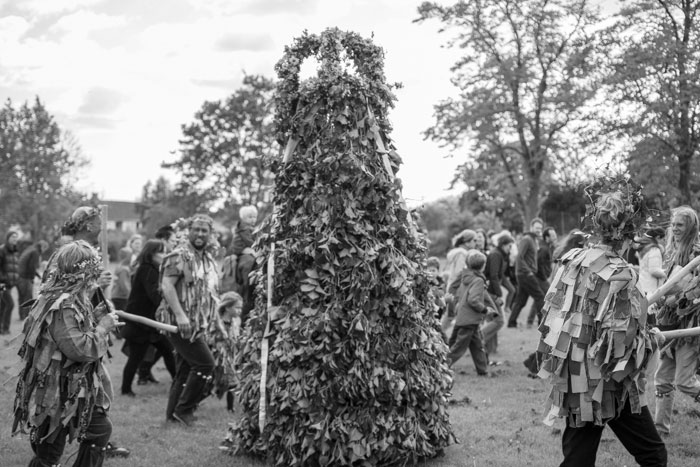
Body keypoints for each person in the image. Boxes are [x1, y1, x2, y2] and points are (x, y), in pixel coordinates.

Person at [536, 188, 667, 467]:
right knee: (654, 455)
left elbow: (552, 315)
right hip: (609, 384)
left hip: (574, 379)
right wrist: (652, 340)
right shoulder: (622, 273)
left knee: (577, 460)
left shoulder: (572, 260)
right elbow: (620, 344)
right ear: (630, 232)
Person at [13, 240, 123, 467]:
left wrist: (100, 312)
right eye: (91, 274)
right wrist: (103, 328)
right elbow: (79, 349)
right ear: (81, 273)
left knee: (99, 430)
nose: (93, 280)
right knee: (49, 453)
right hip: (56, 392)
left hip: (74, 387)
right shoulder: (63, 305)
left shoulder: (70, 297)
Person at [159, 214, 219, 425]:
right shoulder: (180, 256)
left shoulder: (206, 259)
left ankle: (172, 416)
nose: (200, 234)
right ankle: (184, 410)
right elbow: (167, 285)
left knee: (185, 369)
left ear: (210, 235)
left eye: (205, 231)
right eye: (196, 229)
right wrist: (180, 315)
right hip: (179, 322)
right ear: (189, 231)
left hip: (196, 322)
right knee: (205, 364)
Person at [653, 206, 700, 435]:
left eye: (680, 225)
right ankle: (660, 430)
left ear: (690, 226)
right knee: (662, 379)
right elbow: (668, 283)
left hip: (689, 326)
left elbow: (696, 289)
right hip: (669, 325)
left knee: (684, 382)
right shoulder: (671, 252)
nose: (675, 229)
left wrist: (680, 299)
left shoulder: (698, 253)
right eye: (673, 224)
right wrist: (661, 301)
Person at [120, 240, 176, 396]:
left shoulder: (153, 269)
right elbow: (154, 295)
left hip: (150, 323)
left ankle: (179, 383)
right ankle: (126, 390)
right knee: (136, 357)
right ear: (151, 254)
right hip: (141, 323)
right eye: (161, 252)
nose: (165, 255)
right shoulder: (147, 270)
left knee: (167, 350)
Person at [446, 251, 495, 375]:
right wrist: (484, 309)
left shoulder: (466, 277)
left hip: (463, 317)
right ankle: (441, 366)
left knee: (477, 345)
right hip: (469, 319)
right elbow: (473, 300)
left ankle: (482, 371)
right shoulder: (478, 280)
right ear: (483, 266)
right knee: (458, 348)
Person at [208, 291, 243, 412]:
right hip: (219, 356)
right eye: (237, 307)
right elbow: (211, 338)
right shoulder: (217, 322)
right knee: (216, 382)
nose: (240, 311)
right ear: (227, 307)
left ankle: (230, 408)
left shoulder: (236, 321)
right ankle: (192, 402)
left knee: (232, 382)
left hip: (230, 356)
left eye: (240, 308)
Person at [507, 218, 545, 328]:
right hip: (525, 274)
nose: (538, 230)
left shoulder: (534, 240)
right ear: (531, 227)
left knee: (521, 300)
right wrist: (528, 272)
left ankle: (511, 323)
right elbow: (519, 257)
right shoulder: (527, 239)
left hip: (525, 273)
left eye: (540, 228)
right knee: (539, 297)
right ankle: (542, 323)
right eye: (537, 228)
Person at [483, 233, 514, 355]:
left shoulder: (500, 254)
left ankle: (491, 349)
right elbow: (494, 275)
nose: (510, 248)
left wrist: (510, 289)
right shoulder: (496, 254)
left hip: (490, 291)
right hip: (490, 292)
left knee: (492, 319)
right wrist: (499, 294)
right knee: (499, 320)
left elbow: (500, 275)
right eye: (509, 246)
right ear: (503, 244)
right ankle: (479, 338)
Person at [527, 226, 557, 328]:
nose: (555, 237)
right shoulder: (544, 248)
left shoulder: (547, 246)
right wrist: (544, 277)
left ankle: (530, 321)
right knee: (548, 296)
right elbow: (538, 263)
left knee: (539, 297)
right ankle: (543, 320)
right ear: (546, 238)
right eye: (552, 236)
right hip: (540, 277)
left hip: (541, 277)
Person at [17, 239, 49, 320]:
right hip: (26, 277)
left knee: (22, 297)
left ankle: (21, 315)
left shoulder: (31, 248)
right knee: (28, 298)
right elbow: (32, 267)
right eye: (45, 249)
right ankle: (26, 316)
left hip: (20, 276)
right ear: (42, 247)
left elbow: (29, 265)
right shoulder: (35, 252)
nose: (44, 251)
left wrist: (37, 275)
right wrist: (33, 277)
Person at [0, 230, 21, 334]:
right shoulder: (2, 250)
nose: (15, 239)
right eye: (13, 237)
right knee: (10, 304)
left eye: (16, 237)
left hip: (10, 283)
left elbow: (15, 266)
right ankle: (5, 329)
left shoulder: (15, 250)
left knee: (3, 305)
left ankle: (1, 328)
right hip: (2, 283)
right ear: (8, 238)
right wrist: (2, 280)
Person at [110, 247, 132, 312]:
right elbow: (124, 285)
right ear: (127, 256)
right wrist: (130, 295)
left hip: (115, 295)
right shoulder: (124, 269)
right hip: (121, 297)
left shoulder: (119, 266)